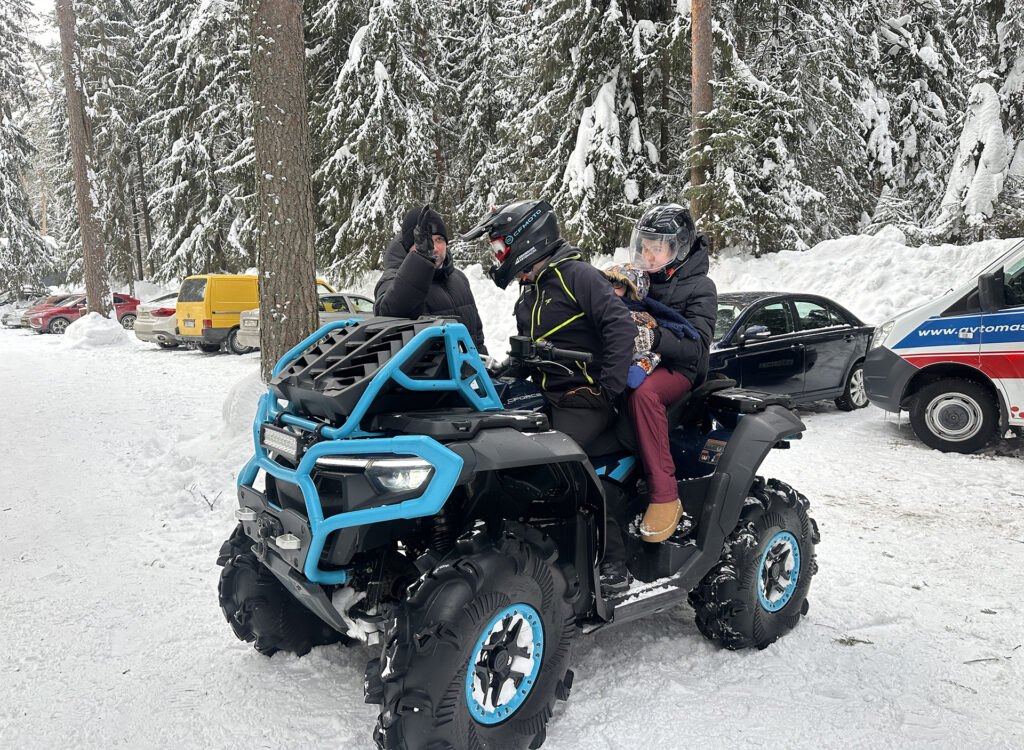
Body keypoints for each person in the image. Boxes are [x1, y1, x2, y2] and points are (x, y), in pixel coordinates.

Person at [463, 200, 637, 593]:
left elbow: (621, 329)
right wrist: (501, 374)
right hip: (543, 393)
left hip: (582, 398)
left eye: (499, 248)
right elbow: (531, 350)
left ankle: (613, 562)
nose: (497, 257)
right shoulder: (531, 289)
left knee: (564, 462)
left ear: (526, 239)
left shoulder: (580, 277)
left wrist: (606, 389)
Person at [627, 204, 717, 544]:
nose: (648, 254)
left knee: (643, 394)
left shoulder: (700, 287)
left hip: (681, 370)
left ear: (678, 247)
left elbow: (698, 345)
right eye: (644, 246)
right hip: (642, 361)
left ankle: (665, 494)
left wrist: (656, 337)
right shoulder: (641, 281)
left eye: (656, 247)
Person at [374, 204, 487, 352]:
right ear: (409, 245)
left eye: (439, 239)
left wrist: (483, 368)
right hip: (420, 375)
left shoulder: (459, 278)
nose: (433, 247)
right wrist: (420, 260)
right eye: (424, 241)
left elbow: (476, 337)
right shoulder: (391, 279)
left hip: (465, 372)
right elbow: (388, 315)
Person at [602, 262, 704, 390]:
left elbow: (653, 350)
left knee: (643, 396)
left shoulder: (641, 318)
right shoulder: (598, 309)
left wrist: (640, 367)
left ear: (632, 289)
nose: (611, 289)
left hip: (623, 371)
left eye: (617, 284)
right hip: (594, 366)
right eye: (607, 284)